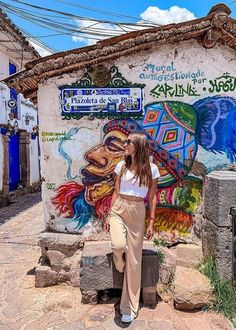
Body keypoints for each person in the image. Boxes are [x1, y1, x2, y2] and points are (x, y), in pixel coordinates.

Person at [103, 132, 160, 323]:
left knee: (135, 262)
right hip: (119, 208)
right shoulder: (122, 165)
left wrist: (151, 221)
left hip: (137, 211)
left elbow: (152, 197)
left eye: (129, 142)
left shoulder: (151, 169)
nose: (125, 144)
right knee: (118, 246)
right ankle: (119, 263)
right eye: (125, 141)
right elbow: (116, 192)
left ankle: (128, 306)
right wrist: (109, 215)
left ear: (139, 146)